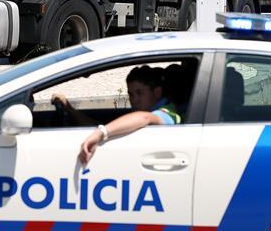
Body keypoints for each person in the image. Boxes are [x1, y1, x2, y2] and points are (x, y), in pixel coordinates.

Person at [52, 65, 182, 165]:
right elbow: (97, 126)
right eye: (131, 94)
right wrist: (70, 109)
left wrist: (101, 133)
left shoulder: (168, 113)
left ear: (157, 92)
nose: (134, 99)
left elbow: (145, 118)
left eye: (139, 93)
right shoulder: (143, 111)